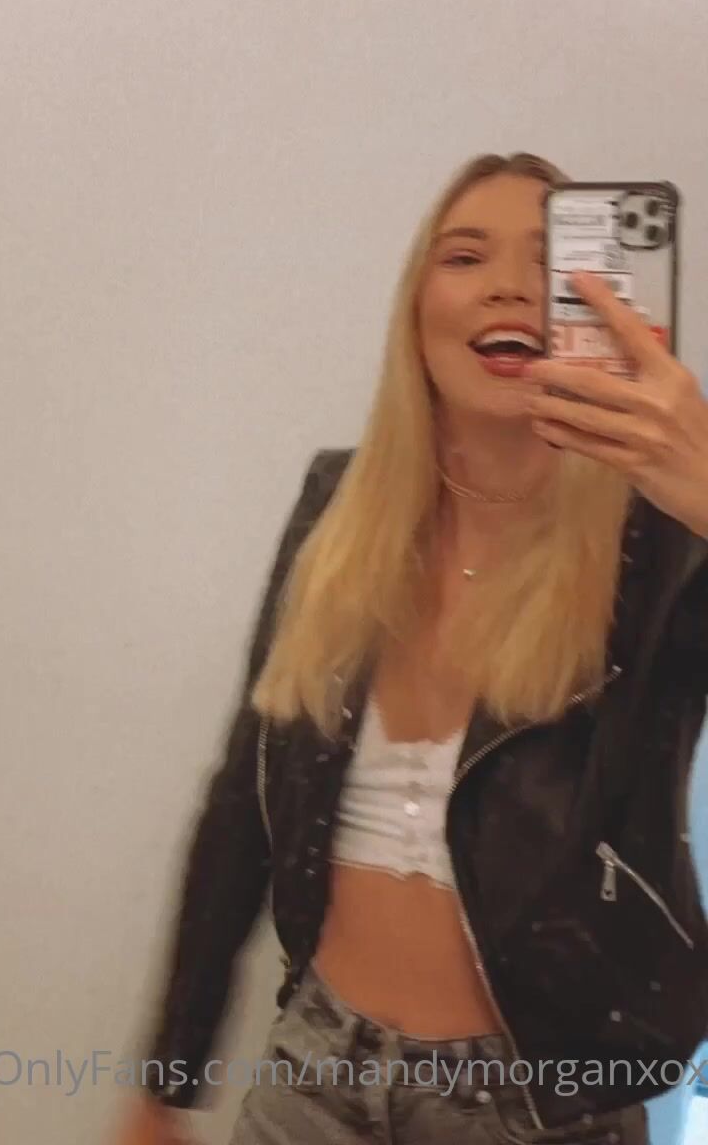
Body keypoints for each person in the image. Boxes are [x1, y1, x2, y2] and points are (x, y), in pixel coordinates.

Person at [116, 153, 708, 1145]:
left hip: (544, 1107)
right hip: (313, 1075)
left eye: (548, 260)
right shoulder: (338, 506)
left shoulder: (662, 543)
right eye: (465, 255)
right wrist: (168, 1078)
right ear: (416, 311)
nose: (508, 285)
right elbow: (242, 803)